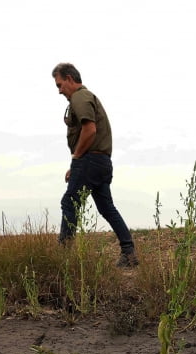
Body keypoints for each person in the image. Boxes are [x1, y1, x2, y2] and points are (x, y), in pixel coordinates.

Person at [52, 62, 137, 266]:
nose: (59, 91)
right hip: (101, 162)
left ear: (70, 79)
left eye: (60, 85)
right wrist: (76, 164)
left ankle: (63, 258)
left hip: (90, 160)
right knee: (107, 207)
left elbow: (89, 130)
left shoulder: (80, 97)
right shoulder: (87, 97)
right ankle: (129, 253)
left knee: (69, 202)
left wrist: (76, 159)